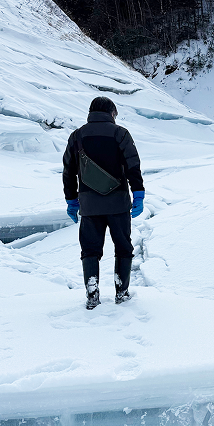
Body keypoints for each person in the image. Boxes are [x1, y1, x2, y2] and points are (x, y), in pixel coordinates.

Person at [62, 96, 145, 309]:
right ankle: (122, 292)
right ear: (111, 113)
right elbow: (132, 165)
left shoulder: (77, 136)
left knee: (90, 250)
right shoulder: (120, 134)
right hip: (118, 203)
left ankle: (92, 293)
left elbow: (69, 171)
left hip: (89, 205)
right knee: (123, 247)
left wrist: (72, 200)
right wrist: (138, 193)